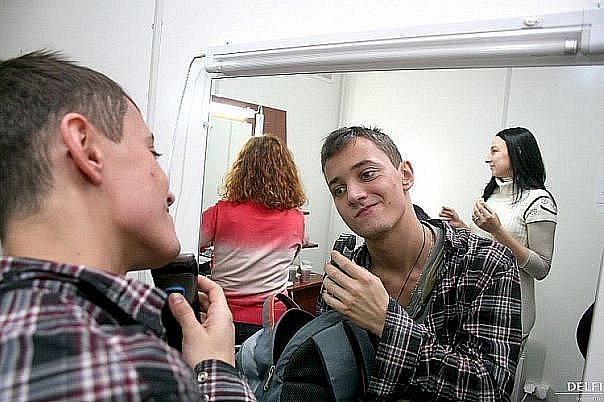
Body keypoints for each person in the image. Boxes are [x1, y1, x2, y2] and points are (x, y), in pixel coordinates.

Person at [0, 51, 255, 401]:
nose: (170, 193)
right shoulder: (128, 369)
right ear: (86, 149)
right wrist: (218, 369)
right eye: (153, 152)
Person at [318, 126, 521, 401]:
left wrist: (387, 324)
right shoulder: (343, 278)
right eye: (339, 190)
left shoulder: (484, 263)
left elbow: (490, 390)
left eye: (367, 174)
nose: (353, 195)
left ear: (405, 175)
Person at [439, 127, 557, 341]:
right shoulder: (492, 193)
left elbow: (541, 268)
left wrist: (498, 231)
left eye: (494, 151)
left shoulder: (539, 201)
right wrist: (463, 227)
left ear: (517, 152)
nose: (488, 158)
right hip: (478, 304)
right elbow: (487, 244)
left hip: (511, 310)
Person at [200, 135, 306, 345]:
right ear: (287, 174)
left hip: (224, 315)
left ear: (242, 171)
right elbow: (287, 258)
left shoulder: (220, 212)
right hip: (273, 320)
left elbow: (184, 246)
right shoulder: (297, 219)